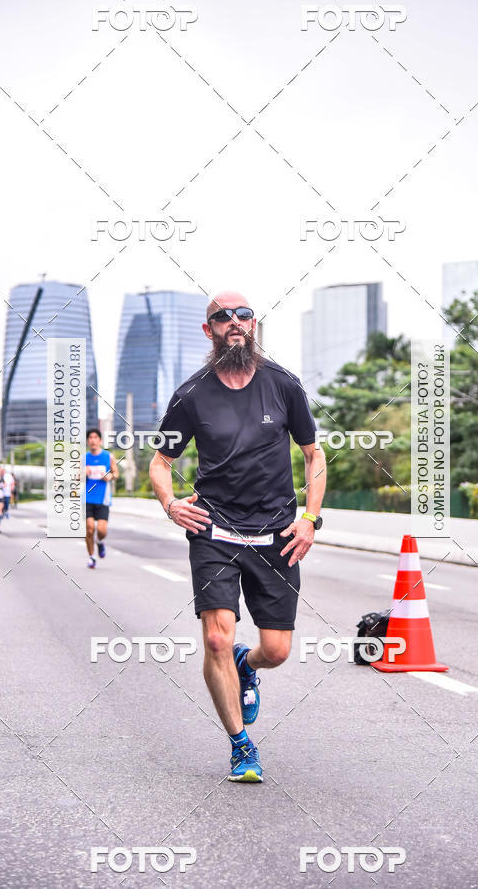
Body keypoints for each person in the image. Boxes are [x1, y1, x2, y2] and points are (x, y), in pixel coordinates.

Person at [149, 292, 327, 783]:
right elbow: (161, 462)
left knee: (276, 651)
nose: (234, 323)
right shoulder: (191, 395)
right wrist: (170, 503)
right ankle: (240, 745)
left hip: (276, 534)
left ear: (254, 325)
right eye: (222, 317)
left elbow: (313, 455)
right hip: (214, 532)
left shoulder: (283, 385)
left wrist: (311, 518)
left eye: (243, 315)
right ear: (208, 330)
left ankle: (248, 668)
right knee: (216, 638)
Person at [85, 429, 119, 568]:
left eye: (95, 437)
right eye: (90, 437)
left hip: (103, 499)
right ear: (88, 441)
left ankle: (100, 542)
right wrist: (83, 473)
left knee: (101, 531)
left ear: (100, 441)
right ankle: (92, 557)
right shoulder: (83, 458)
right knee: (89, 529)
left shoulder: (108, 456)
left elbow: (116, 473)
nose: (93, 440)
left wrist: (110, 476)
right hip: (87, 498)